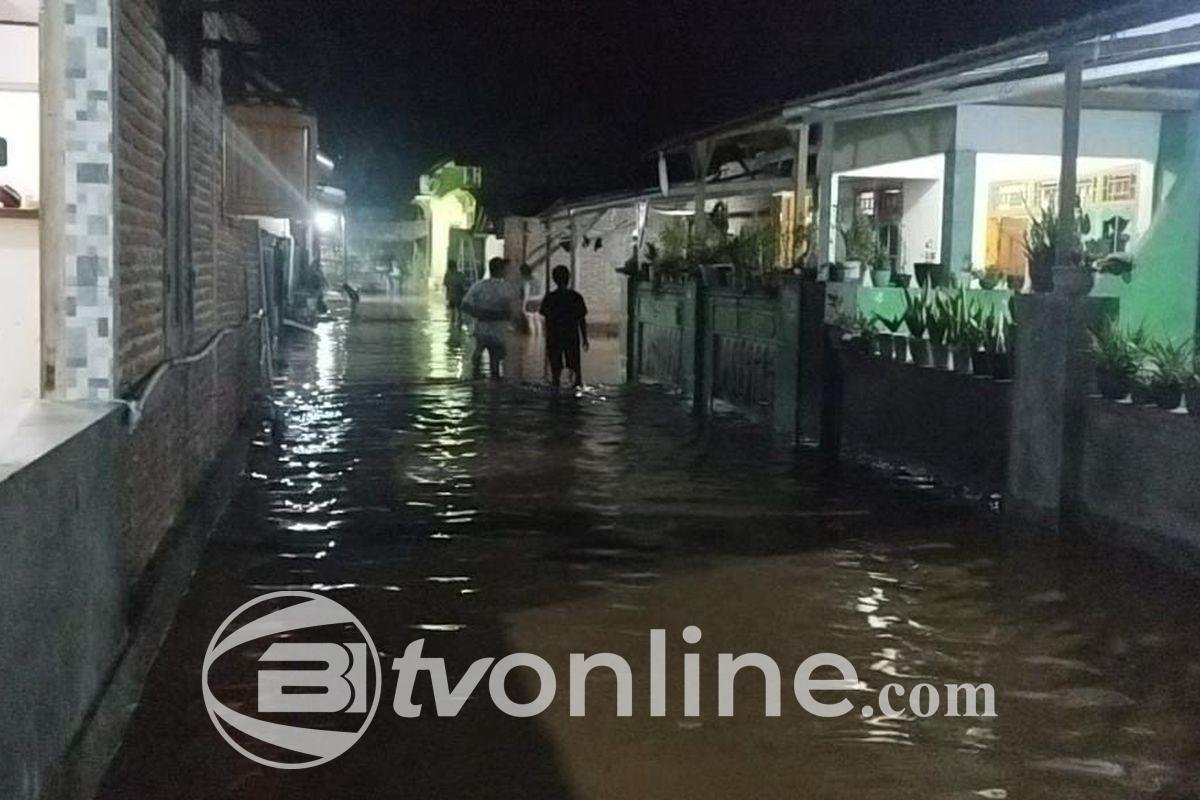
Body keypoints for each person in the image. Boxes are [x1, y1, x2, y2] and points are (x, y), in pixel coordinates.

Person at [461, 257, 518, 379]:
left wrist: (479, 313)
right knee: (495, 360)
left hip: (482, 327)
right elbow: (514, 310)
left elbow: (465, 305)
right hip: (498, 330)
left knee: (478, 352)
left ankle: (474, 378)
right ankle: (494, 383)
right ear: (501, 270)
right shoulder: (507, 288)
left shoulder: (479, 286)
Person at [538, 265, 589, 389]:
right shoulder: (576, 297)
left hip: (554, 336)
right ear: (569, 278)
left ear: (554, 279)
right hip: (571, 335)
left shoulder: (550, 298)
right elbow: (581, 319)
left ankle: (556, 392)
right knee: (575, 367)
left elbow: (545, 317)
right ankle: (576, 391)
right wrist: (585, 338)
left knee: (556, 368)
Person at [443, 260, 469, 327]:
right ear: (456, 266)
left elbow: (445, 284)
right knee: (460, 314)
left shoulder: (447, 275)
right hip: (459, 297)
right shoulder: (460, 275)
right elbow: (464, 285)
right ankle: (459, 329)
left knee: (452, 315)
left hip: (451, 297)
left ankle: (452, 329)